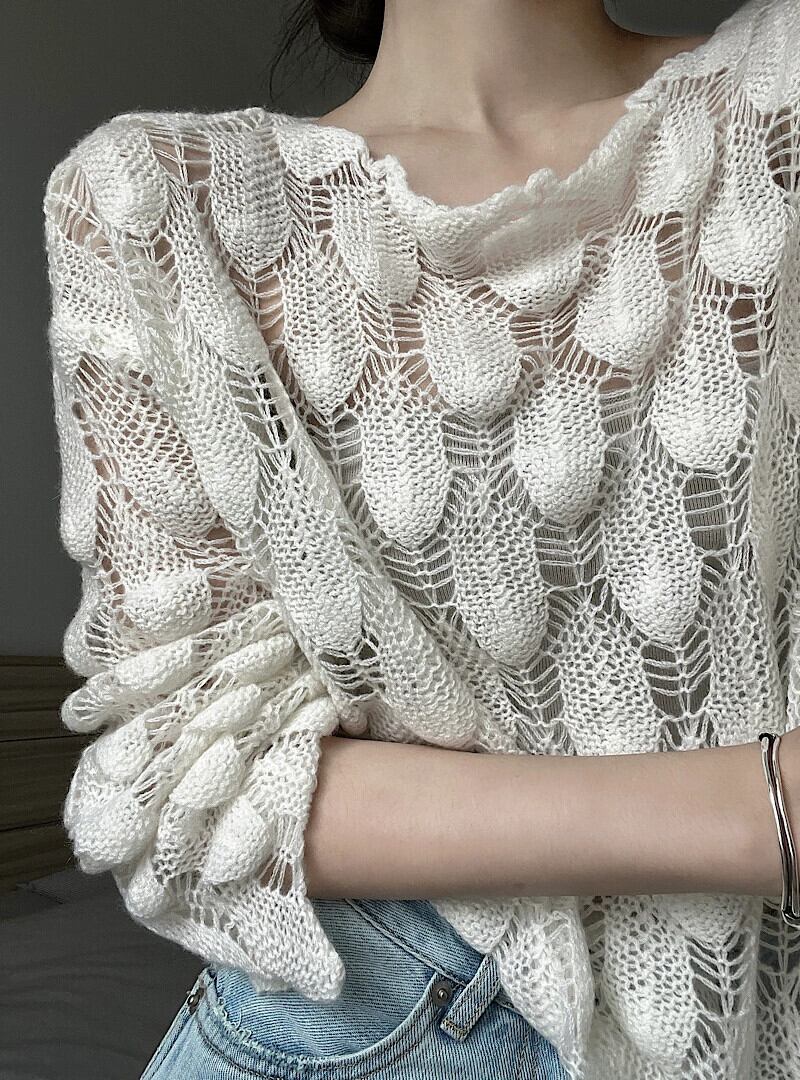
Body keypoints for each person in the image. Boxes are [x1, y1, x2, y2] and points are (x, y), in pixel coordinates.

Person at [41, 0, 800, 1077]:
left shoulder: (780, 105)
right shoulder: (155, 204)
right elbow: (178, 780)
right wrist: (761, 812)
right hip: (378, 1017)